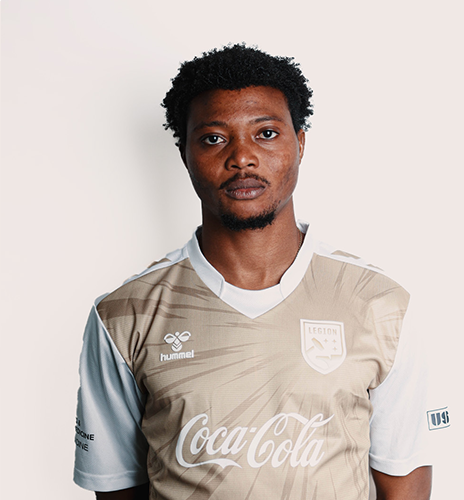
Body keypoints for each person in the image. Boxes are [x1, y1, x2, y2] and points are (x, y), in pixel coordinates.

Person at [74, 44, 435, 500]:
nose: (242, 157)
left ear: (299, 143)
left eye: (265, 133)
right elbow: (117, 487)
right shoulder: (124, 315)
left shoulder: (380, 305)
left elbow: (404, 483)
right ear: (184, 153)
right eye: (213, 138)